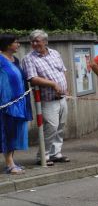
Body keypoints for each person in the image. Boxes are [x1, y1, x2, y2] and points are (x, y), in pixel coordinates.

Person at [21, 30, 69, 166]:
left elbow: (63, 71)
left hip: (62, 96)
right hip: (47, 99)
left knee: (61, 125)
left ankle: (56, 153)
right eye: (32, 41)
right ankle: (43, 155)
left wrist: (66, 87)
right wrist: (53, 84)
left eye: (37, 41)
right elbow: (32, 78)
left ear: (45, 41)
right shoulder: (29, 58)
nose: (35, 44)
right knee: (51, 127)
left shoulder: (55, 53)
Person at [1, 34, 32, 174]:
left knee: (15, 132)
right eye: (16, 42)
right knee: (8, 132)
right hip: (6, 104)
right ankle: (9, 164)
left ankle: (12, 161)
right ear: (8, 44)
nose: (18, 44)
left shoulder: (15, 60)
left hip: (19, 103)